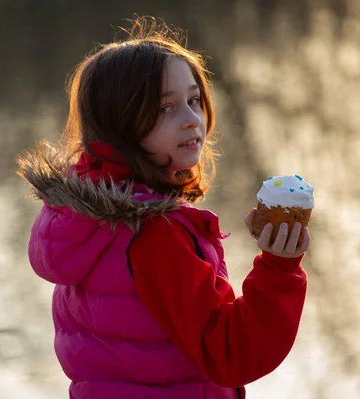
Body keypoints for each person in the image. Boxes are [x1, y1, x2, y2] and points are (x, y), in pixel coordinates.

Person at [17, 16, 309, 399]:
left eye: (193, 100)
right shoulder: (154, 235)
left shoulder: (86, 221)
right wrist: (278, 267)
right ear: (118, 125)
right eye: (164, 109)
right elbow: (231, 353)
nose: (192, 120)